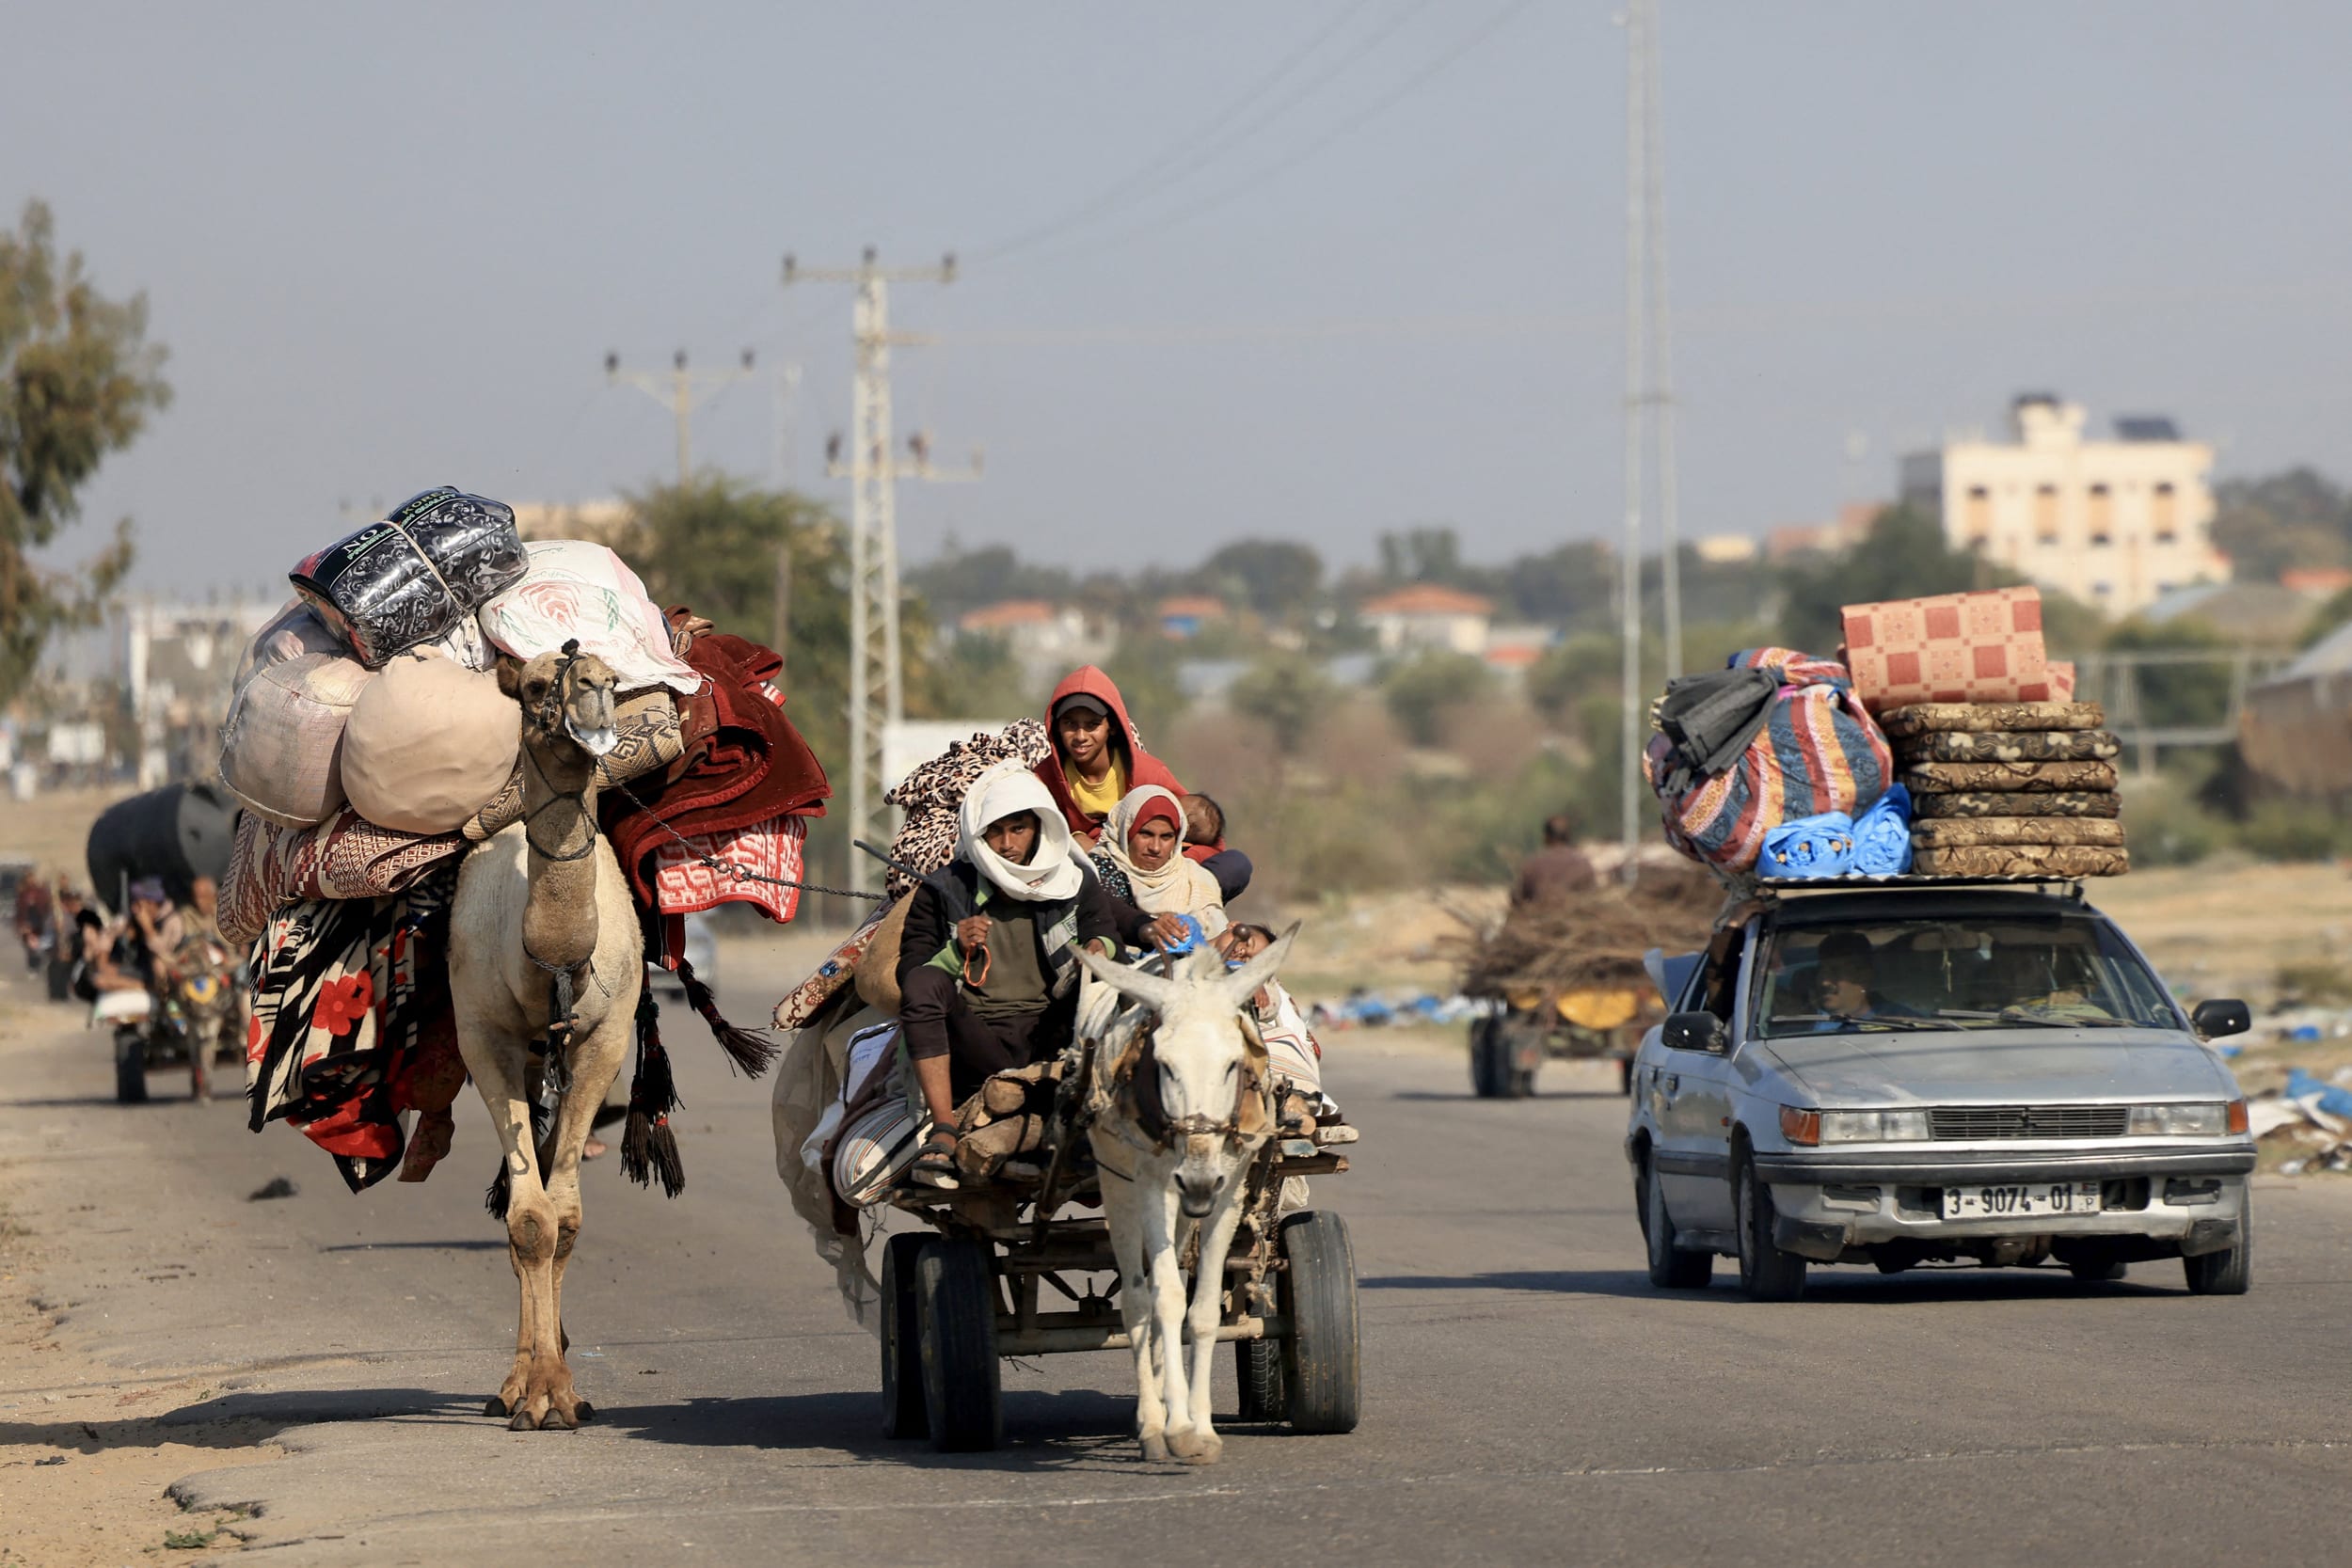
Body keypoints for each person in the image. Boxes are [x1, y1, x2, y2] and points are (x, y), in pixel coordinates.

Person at [896, 764, 1143, 1188]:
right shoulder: (945, 888)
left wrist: (1099, 950)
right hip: (976, 1038)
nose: (1007, 844)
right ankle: (943, 1128)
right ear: (978, 833)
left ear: (1039, 828)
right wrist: (956, 950)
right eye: (995, 832)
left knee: (1118, 989)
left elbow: (1108, 937)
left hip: (1054, 1036)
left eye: (1018, 829)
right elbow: (910, 969)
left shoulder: (1073, 880)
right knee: (923, 985)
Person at [1034, 666, 1254, 901]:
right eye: (1070, 724)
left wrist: (1178, 862)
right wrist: (1075, 842)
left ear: (1112, 726)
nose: (1080, 736)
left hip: (1158, 876)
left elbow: (1207, 835)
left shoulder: (1148, 773)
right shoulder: (1044, 779)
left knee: (1236, 864)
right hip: (1092, 881)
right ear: (1056, 726)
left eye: (1092, 725)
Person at [1091, 785, 1229, 951]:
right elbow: (1111, 913)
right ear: (1125, 831)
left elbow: (1220, 940)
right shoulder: (1099, 869)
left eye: (1166, 837)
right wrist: (1147, 926)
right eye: (1145, 834)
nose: (1155, 848)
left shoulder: (1196, 879)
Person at [1807, 930, 1917, 1023]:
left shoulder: (1904, 1022)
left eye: (1835, 971)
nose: (1824, 982)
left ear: (1864, 977)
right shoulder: (1805, 1023)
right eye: (1822, 971)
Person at [1512, 813, 1597, 908]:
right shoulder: (1583, 865)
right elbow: (1592, 896)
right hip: (1578, 915)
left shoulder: (1532, 865)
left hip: (1540, 915)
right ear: (1568, 836)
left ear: (1546, 837)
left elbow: (1517, 899)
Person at [14, 869, 54, 975]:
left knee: (43, 943)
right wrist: (20, 925)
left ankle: (44, 963)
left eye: (32, 878)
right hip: (28, 922)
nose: (31, 880)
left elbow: (47, 905)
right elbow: (19, 910)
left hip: (40, 920)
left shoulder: (40, 891)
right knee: (30, 946)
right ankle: (33, 966)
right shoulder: (22, 893)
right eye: (28, 878)